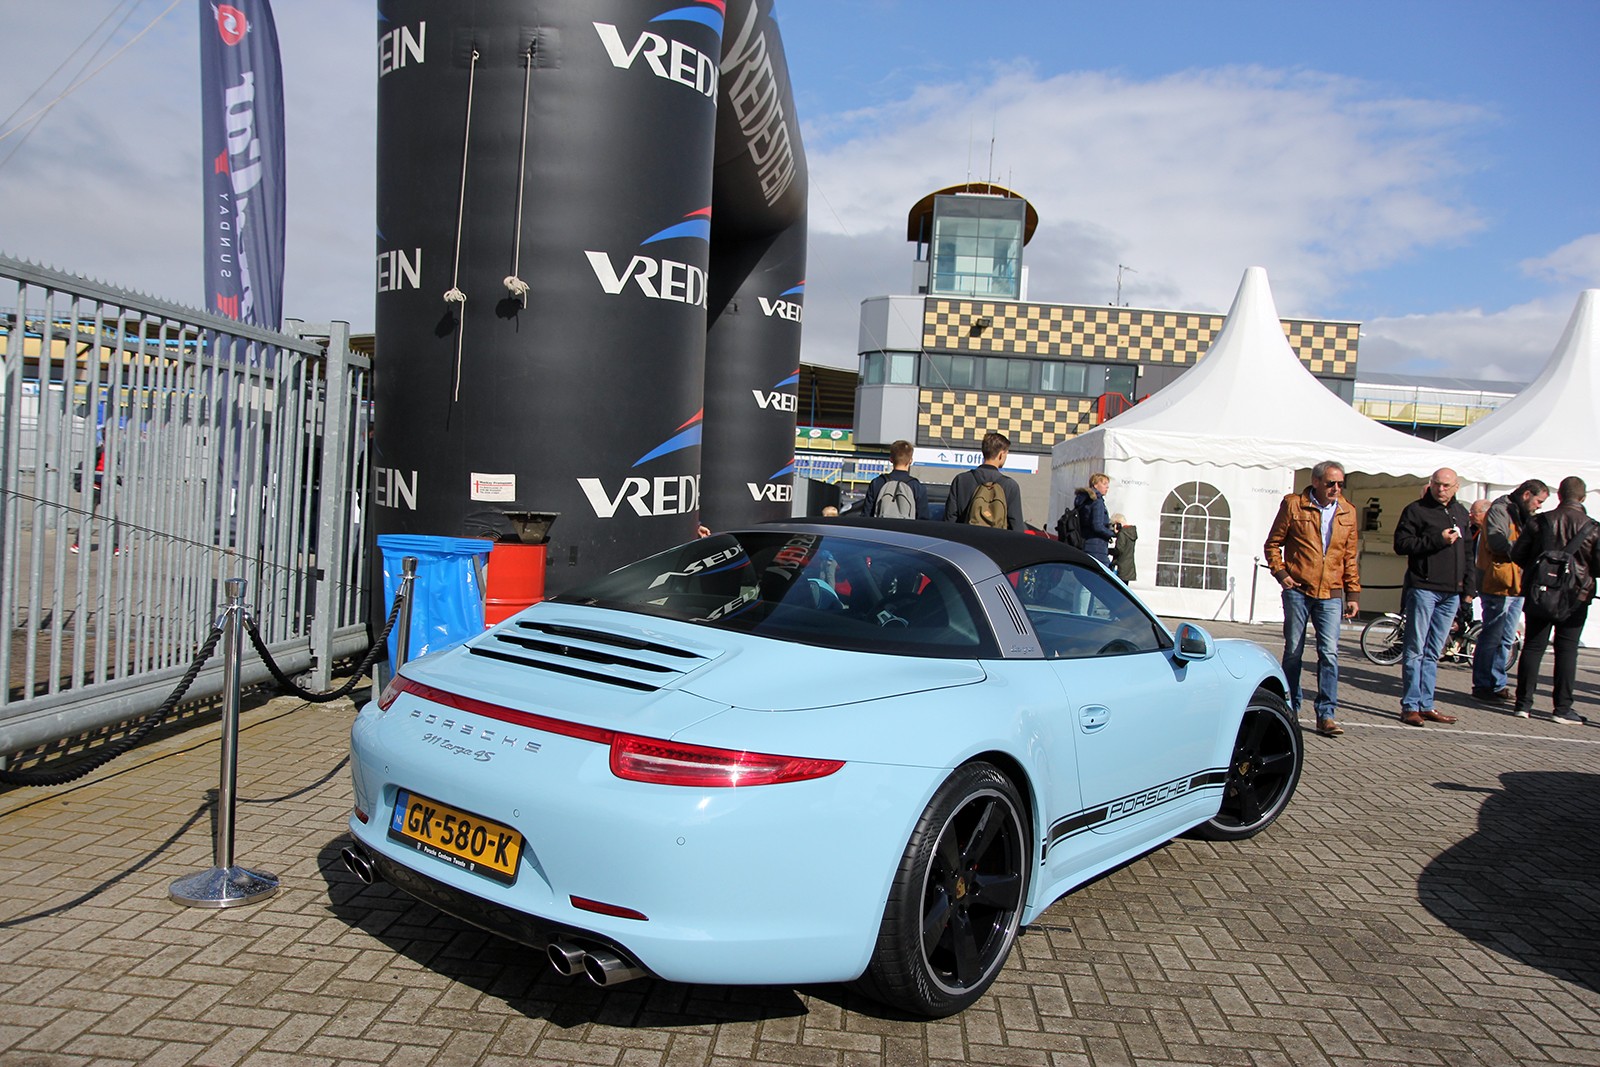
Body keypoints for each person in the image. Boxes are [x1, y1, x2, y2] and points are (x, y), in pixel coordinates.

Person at [1262, 460, 1361, 737]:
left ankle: (1326, 714)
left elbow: (1350, 556)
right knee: (1294, 651)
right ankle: (1289, 708)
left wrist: (1353, 592)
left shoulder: (1348, 511)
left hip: (1331, 592)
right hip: (1298, 588)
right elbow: (1273, 544)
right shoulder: (1294, 505)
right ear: (1316, 482)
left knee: (1329, 653)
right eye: (1331, 483)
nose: (1336, 488)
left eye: (1340, 484)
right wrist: (1281, 574)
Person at [1510, 476, 1600, 723]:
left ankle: (1523, 704)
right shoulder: (1593, 527)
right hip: (1576, 596)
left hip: (1540, 591)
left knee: (1533, 646)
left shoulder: (1539, 521)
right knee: (1567, 650)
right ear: (1582, 498)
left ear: (1559, 495)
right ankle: (1562, 708)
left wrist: (1539, 571)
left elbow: (1517, 553)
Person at [1392, 468, 1474, 727]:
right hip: (1424, 588)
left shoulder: (1460, 512)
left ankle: (1426, 704)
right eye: (1437, 484)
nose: (1441, 489)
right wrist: (1437, 540)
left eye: (1447, 485)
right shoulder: (1416, 510)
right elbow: (1401, 544)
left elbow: (1468, 553)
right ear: (1430, 484)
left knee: (1433, 651)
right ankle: (1410, 706)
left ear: (1457, 486)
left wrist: (1468, 590)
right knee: (1415, 649)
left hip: (1451, 592)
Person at [1472, 479, 1549, 703]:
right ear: (1526, 495)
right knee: (1492, 635)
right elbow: (1497, 543)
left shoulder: (1524, 515)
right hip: (1498, 582)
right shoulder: (1500, 510)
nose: (1539, 506)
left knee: (1507, 638)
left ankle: (1497, 682)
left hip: (1518, 583)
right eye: (1538, 501)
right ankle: (1483, 684)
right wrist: (1526, 548)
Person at [943, 431, 1024, 530]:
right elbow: (1016, 526)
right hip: (996, 539)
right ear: (1001, 455)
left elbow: (949, 519)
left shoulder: (961, 480)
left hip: (966, 537)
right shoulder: (1010, 486)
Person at [860, 440, 930, 520]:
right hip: (905, 528)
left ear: (891, 459)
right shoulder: (917, 487)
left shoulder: (877, 483)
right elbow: (923, 519)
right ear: (910, 461)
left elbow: (866, 516)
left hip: (881, 527)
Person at [1072, 474, 1116, 564]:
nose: (1107, 487)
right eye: (1104, 484)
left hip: (1083, 543)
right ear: (1095, 485)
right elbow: (1097, 526)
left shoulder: (1084, 500)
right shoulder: (1097, 501)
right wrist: (1112, 533)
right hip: (1097, 547)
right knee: (1100, 571)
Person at [1109, 513, 1137, 581]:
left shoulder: (1122, 534)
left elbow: (1119, 550)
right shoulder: (1131, 533)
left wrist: (1108, 550)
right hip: (1129, 568)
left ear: (1117, 525)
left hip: (1120, 568)